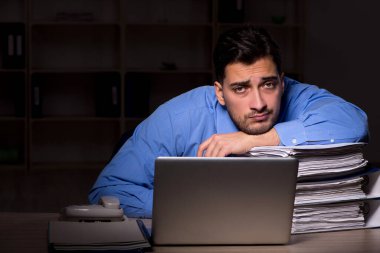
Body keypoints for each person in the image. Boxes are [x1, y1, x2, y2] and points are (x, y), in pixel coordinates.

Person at [88, 25, 368, 218]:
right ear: (220, 92)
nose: (258, 103)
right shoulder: (178, 117)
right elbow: (107, 192)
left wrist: (256, 140)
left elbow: (354, 121)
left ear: (282, 83)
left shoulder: (297, 95)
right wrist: (193, 207)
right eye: (241, 88)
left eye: (268, 84)